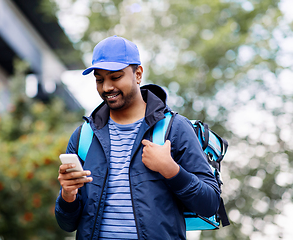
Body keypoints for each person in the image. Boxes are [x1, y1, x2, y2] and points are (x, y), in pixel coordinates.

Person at [55, 35, 221, 240]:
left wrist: (171, 170)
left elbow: (210, 203)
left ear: (138, 74)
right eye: (100, 79)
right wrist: (67, 196)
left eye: (115, 77)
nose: (106, 87)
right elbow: (67, 224)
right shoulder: (84, 136)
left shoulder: (174, 129)